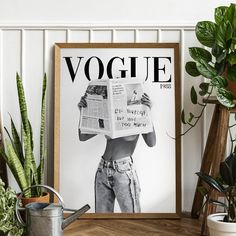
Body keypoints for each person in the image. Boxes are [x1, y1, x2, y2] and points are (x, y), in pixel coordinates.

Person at [78, 92, 156, 213]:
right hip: (102, 169)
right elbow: (83, 136)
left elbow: (151, 143)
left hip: (123, 171)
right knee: (102, 221)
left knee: (132, 220)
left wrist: (147, 112)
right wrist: (83, 111)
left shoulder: (137, 115)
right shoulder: (109, 116)